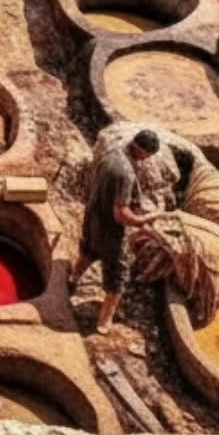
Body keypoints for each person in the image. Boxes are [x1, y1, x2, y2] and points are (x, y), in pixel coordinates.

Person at [74, 127, 161, 333]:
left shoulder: (112, 152)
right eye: (147, 156)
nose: (146, 160)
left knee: (89, 250)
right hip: (110, 230)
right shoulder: (124, 173)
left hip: (92, 215)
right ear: (141, 150)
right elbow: (121, 215)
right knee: (118, 275)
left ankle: (72, 280)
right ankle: (105, 319)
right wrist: (145, 219)